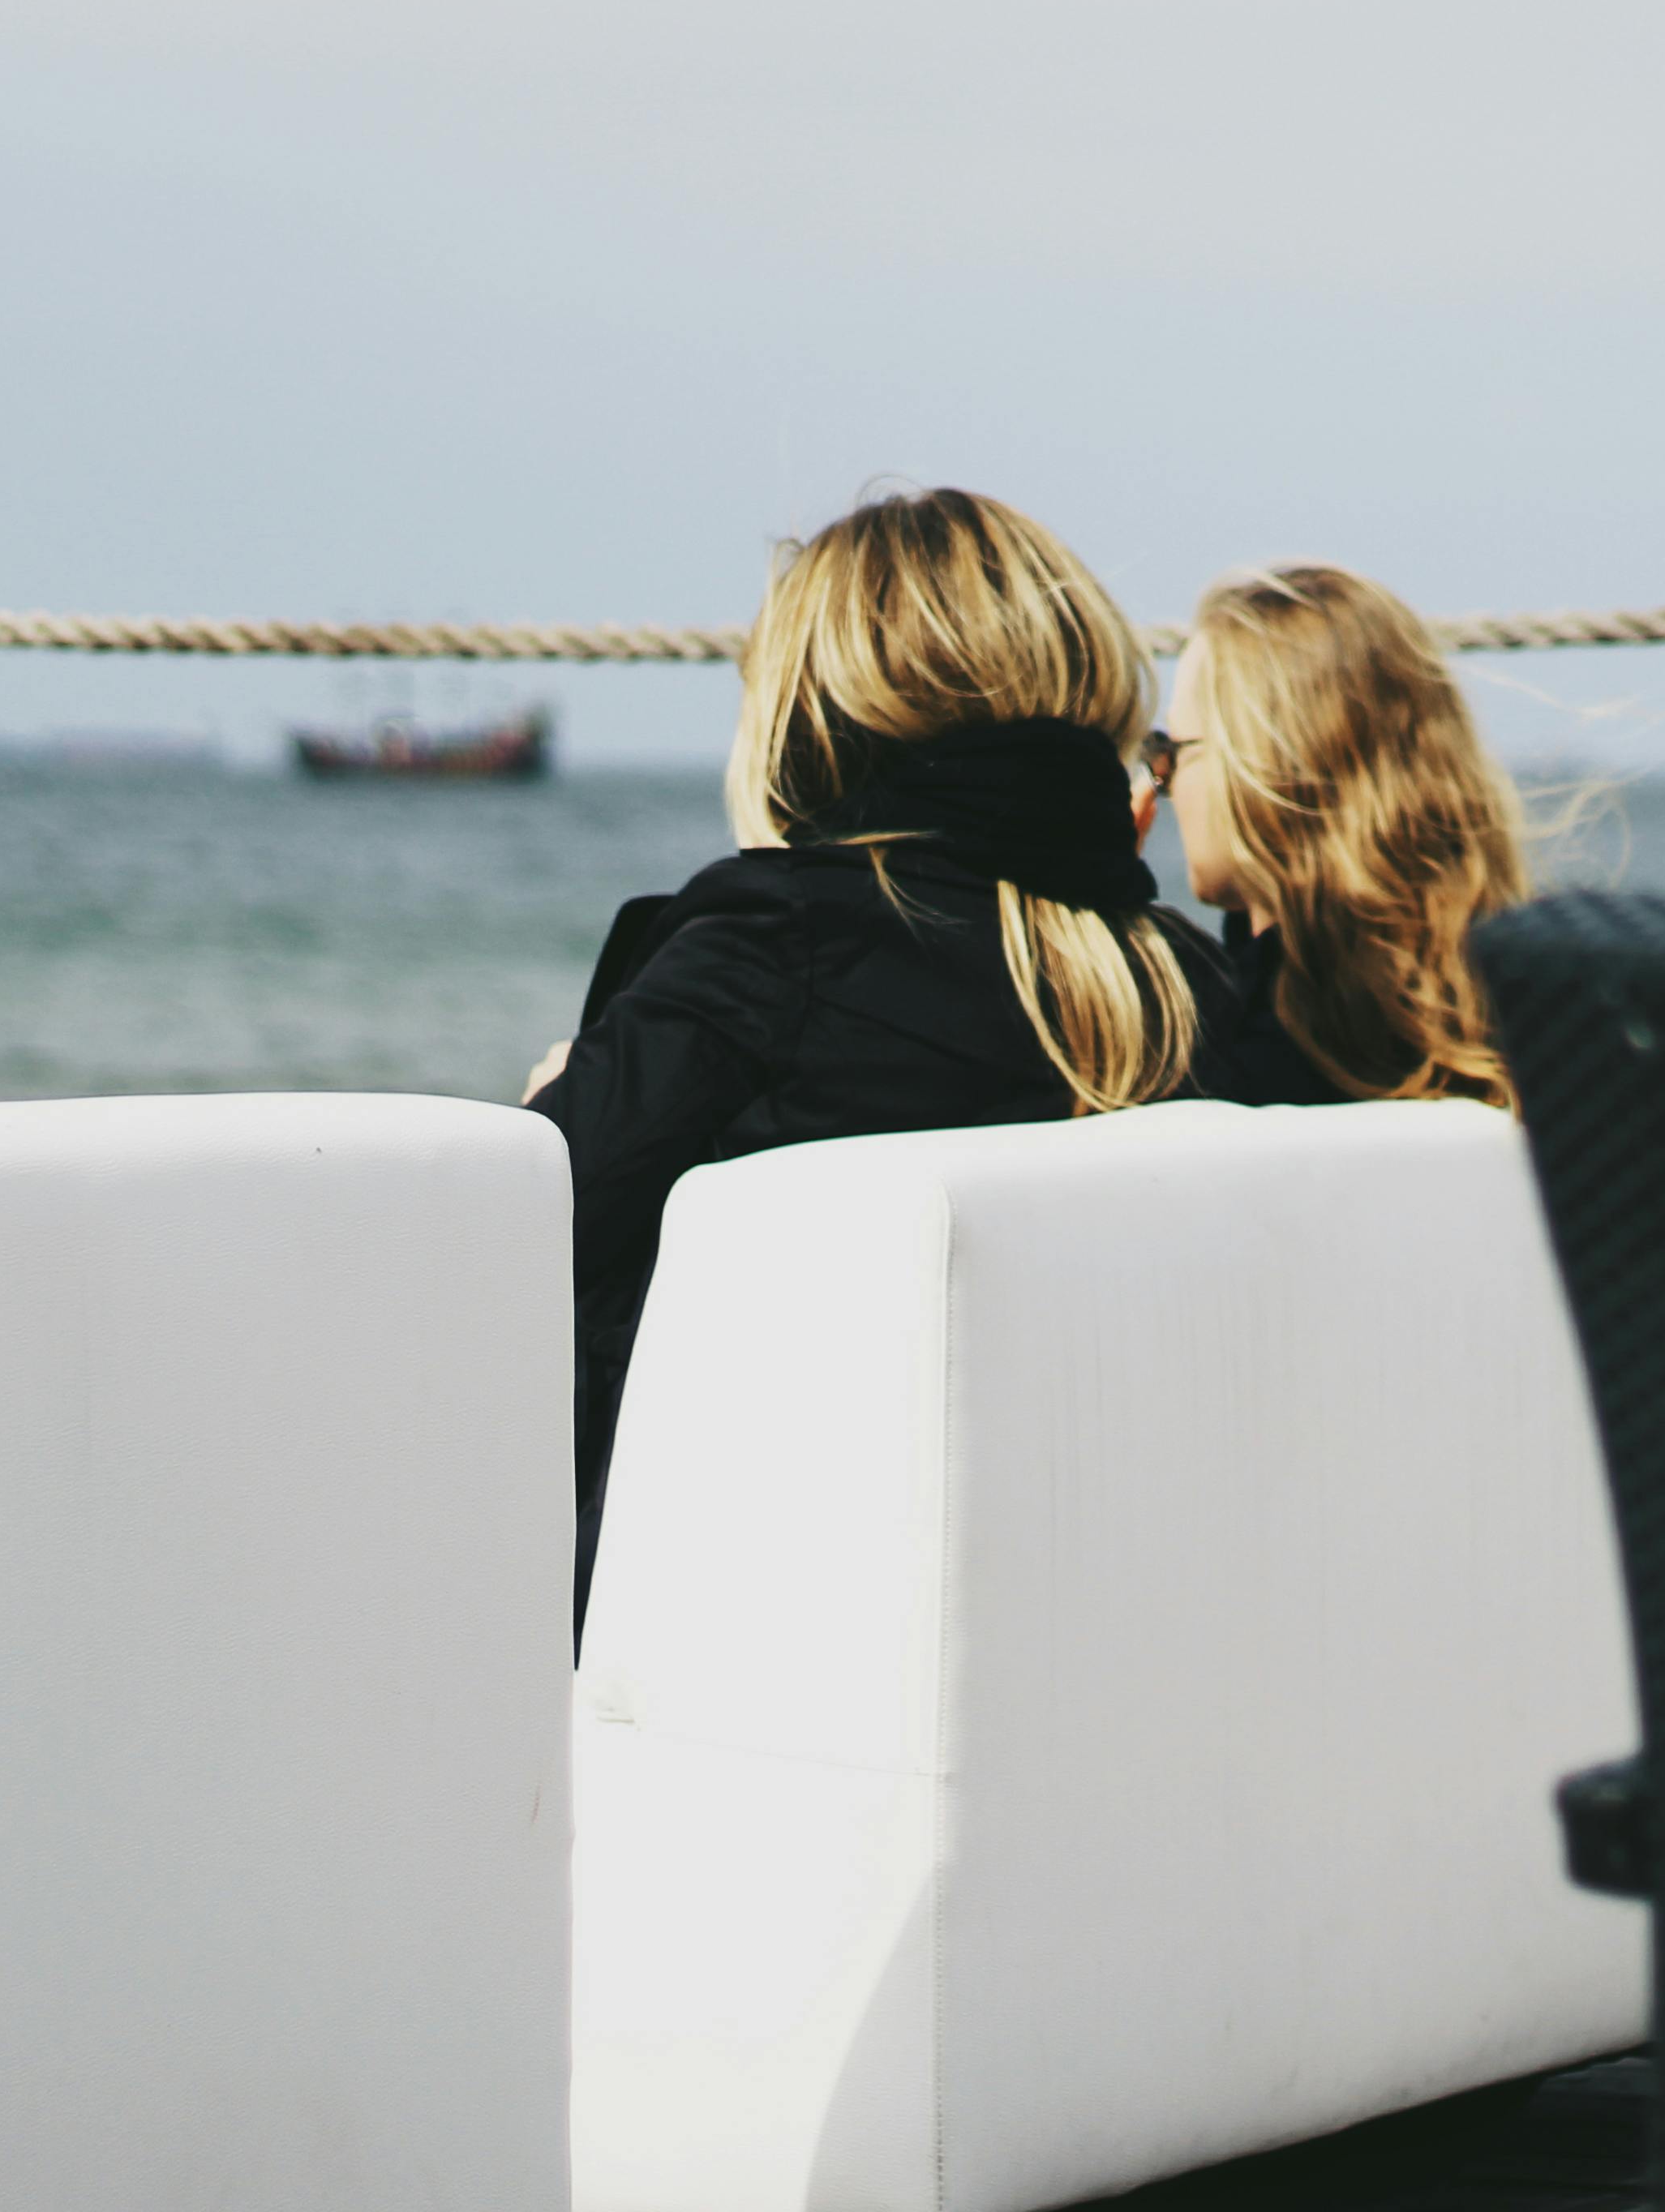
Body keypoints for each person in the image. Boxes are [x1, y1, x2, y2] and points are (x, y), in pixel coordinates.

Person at [525, 488, 1236, 1633]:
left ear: (812, 709)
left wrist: (558, 1100)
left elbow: (520, 1256)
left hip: (754, 1630)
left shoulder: (768, 953)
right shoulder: (1188, 983)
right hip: (1110, 1619)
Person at [1151, 563, 1528, 1110]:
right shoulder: (1520, 1010)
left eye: (1168, 752)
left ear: (1259, 769)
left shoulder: (1214, 1053)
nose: (1159, 782)